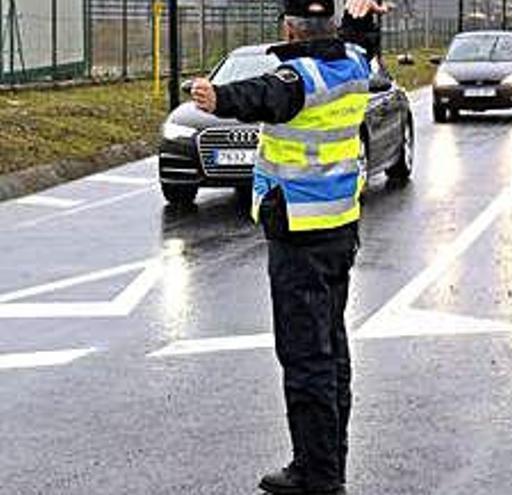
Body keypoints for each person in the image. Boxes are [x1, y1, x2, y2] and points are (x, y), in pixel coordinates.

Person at [190, 0, 372, 493]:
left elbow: (266, 94)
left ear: (289, 28)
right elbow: (361, 44)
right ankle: (326, 462)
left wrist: (216, 97)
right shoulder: (353, 65)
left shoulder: (301, 77)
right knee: (332, 351)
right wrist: (362, 19)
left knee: (306, 358)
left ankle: (318, 476)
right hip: (339, 228)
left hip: (299, 236)